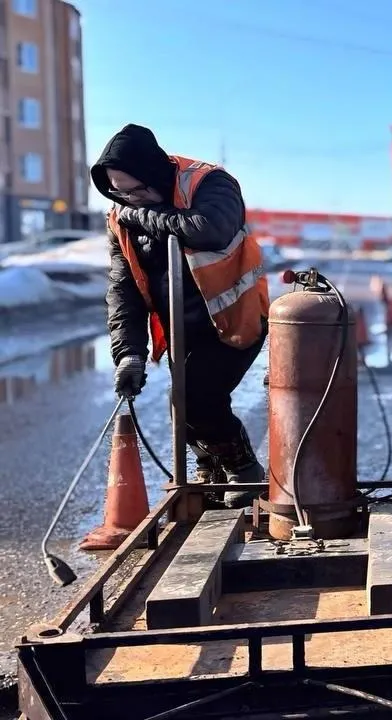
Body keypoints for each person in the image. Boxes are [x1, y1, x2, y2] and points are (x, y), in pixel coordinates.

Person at [90, 123, 270, 508]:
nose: (130, 199)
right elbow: (124, 292)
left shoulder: (207, 183)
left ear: (154, 172)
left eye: (136, 189)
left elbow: (210, 230)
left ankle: (244, 470)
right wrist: (129, 354)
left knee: (196, 398)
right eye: (119, 191)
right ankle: (211, 471)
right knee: (185, 406)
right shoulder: (121, 218)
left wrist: (146, 215)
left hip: (234, 316)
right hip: (181, 328)